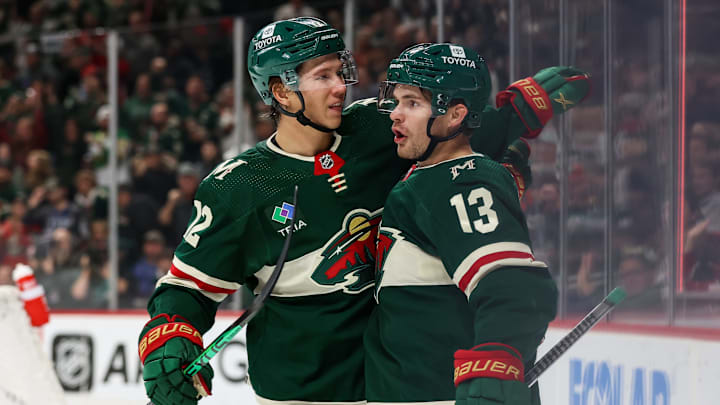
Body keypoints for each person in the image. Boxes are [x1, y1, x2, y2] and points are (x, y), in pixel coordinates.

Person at [138, 17, 588, 405]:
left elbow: (449, 125)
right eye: (322, 76)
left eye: (340, 71)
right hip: (303, 391)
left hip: (393, 383)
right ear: (281, 91)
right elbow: (186, 289)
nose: (341, 87)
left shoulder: (376, 128)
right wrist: (170, 335)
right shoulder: (238, 188)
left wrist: (517, 112)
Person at [364, 43, 558, 405]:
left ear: (455, 116)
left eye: (413, 103)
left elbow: (513, 286)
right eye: (398, 100)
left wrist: (493, 369)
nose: (395, 114)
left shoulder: (459, 182)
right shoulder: (433, 175)